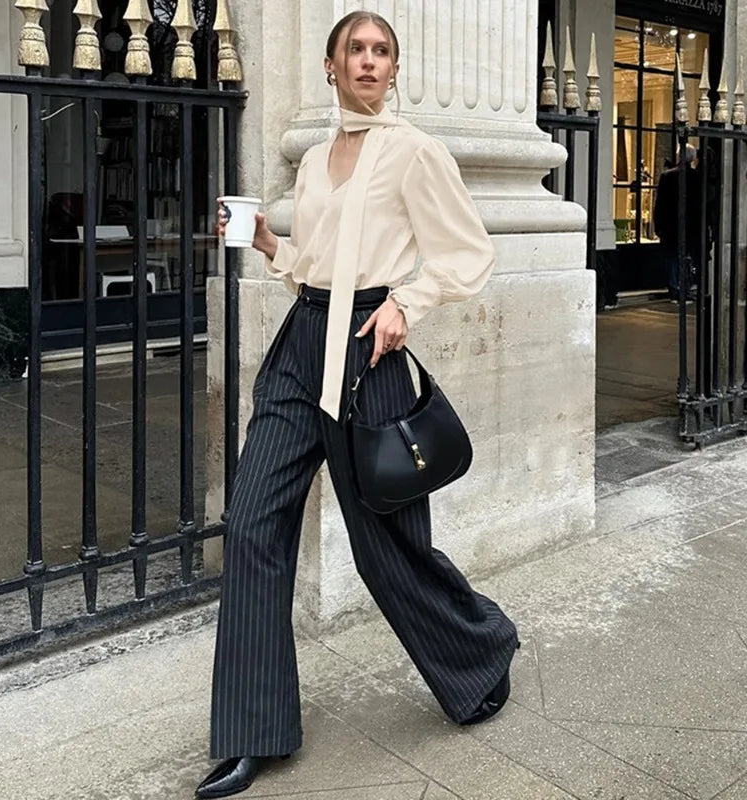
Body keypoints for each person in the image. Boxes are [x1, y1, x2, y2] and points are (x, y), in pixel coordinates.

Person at [195, 11, 519, 799]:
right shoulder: (316, 161)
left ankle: (479, 652)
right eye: (356, 52)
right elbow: (315, 260)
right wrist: (267, 243)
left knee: (388, 546)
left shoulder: (414, 151)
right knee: (251, 522)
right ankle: (252, 731)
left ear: (392, 69)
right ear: (332, 68)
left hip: (369, 346)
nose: (369, 63)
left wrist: (409, 300)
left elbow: (468, 251)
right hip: (304, 343)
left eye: (382, 52)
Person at [653, 143, 703, 301]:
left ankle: (674, 287)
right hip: (692, 224)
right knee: (687, 256)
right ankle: (686, 286)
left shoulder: (667, 176)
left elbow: (660, 204)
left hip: (670, 224)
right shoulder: (697, 177)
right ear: (693, 158)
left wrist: (658, 224)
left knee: (672, 257)